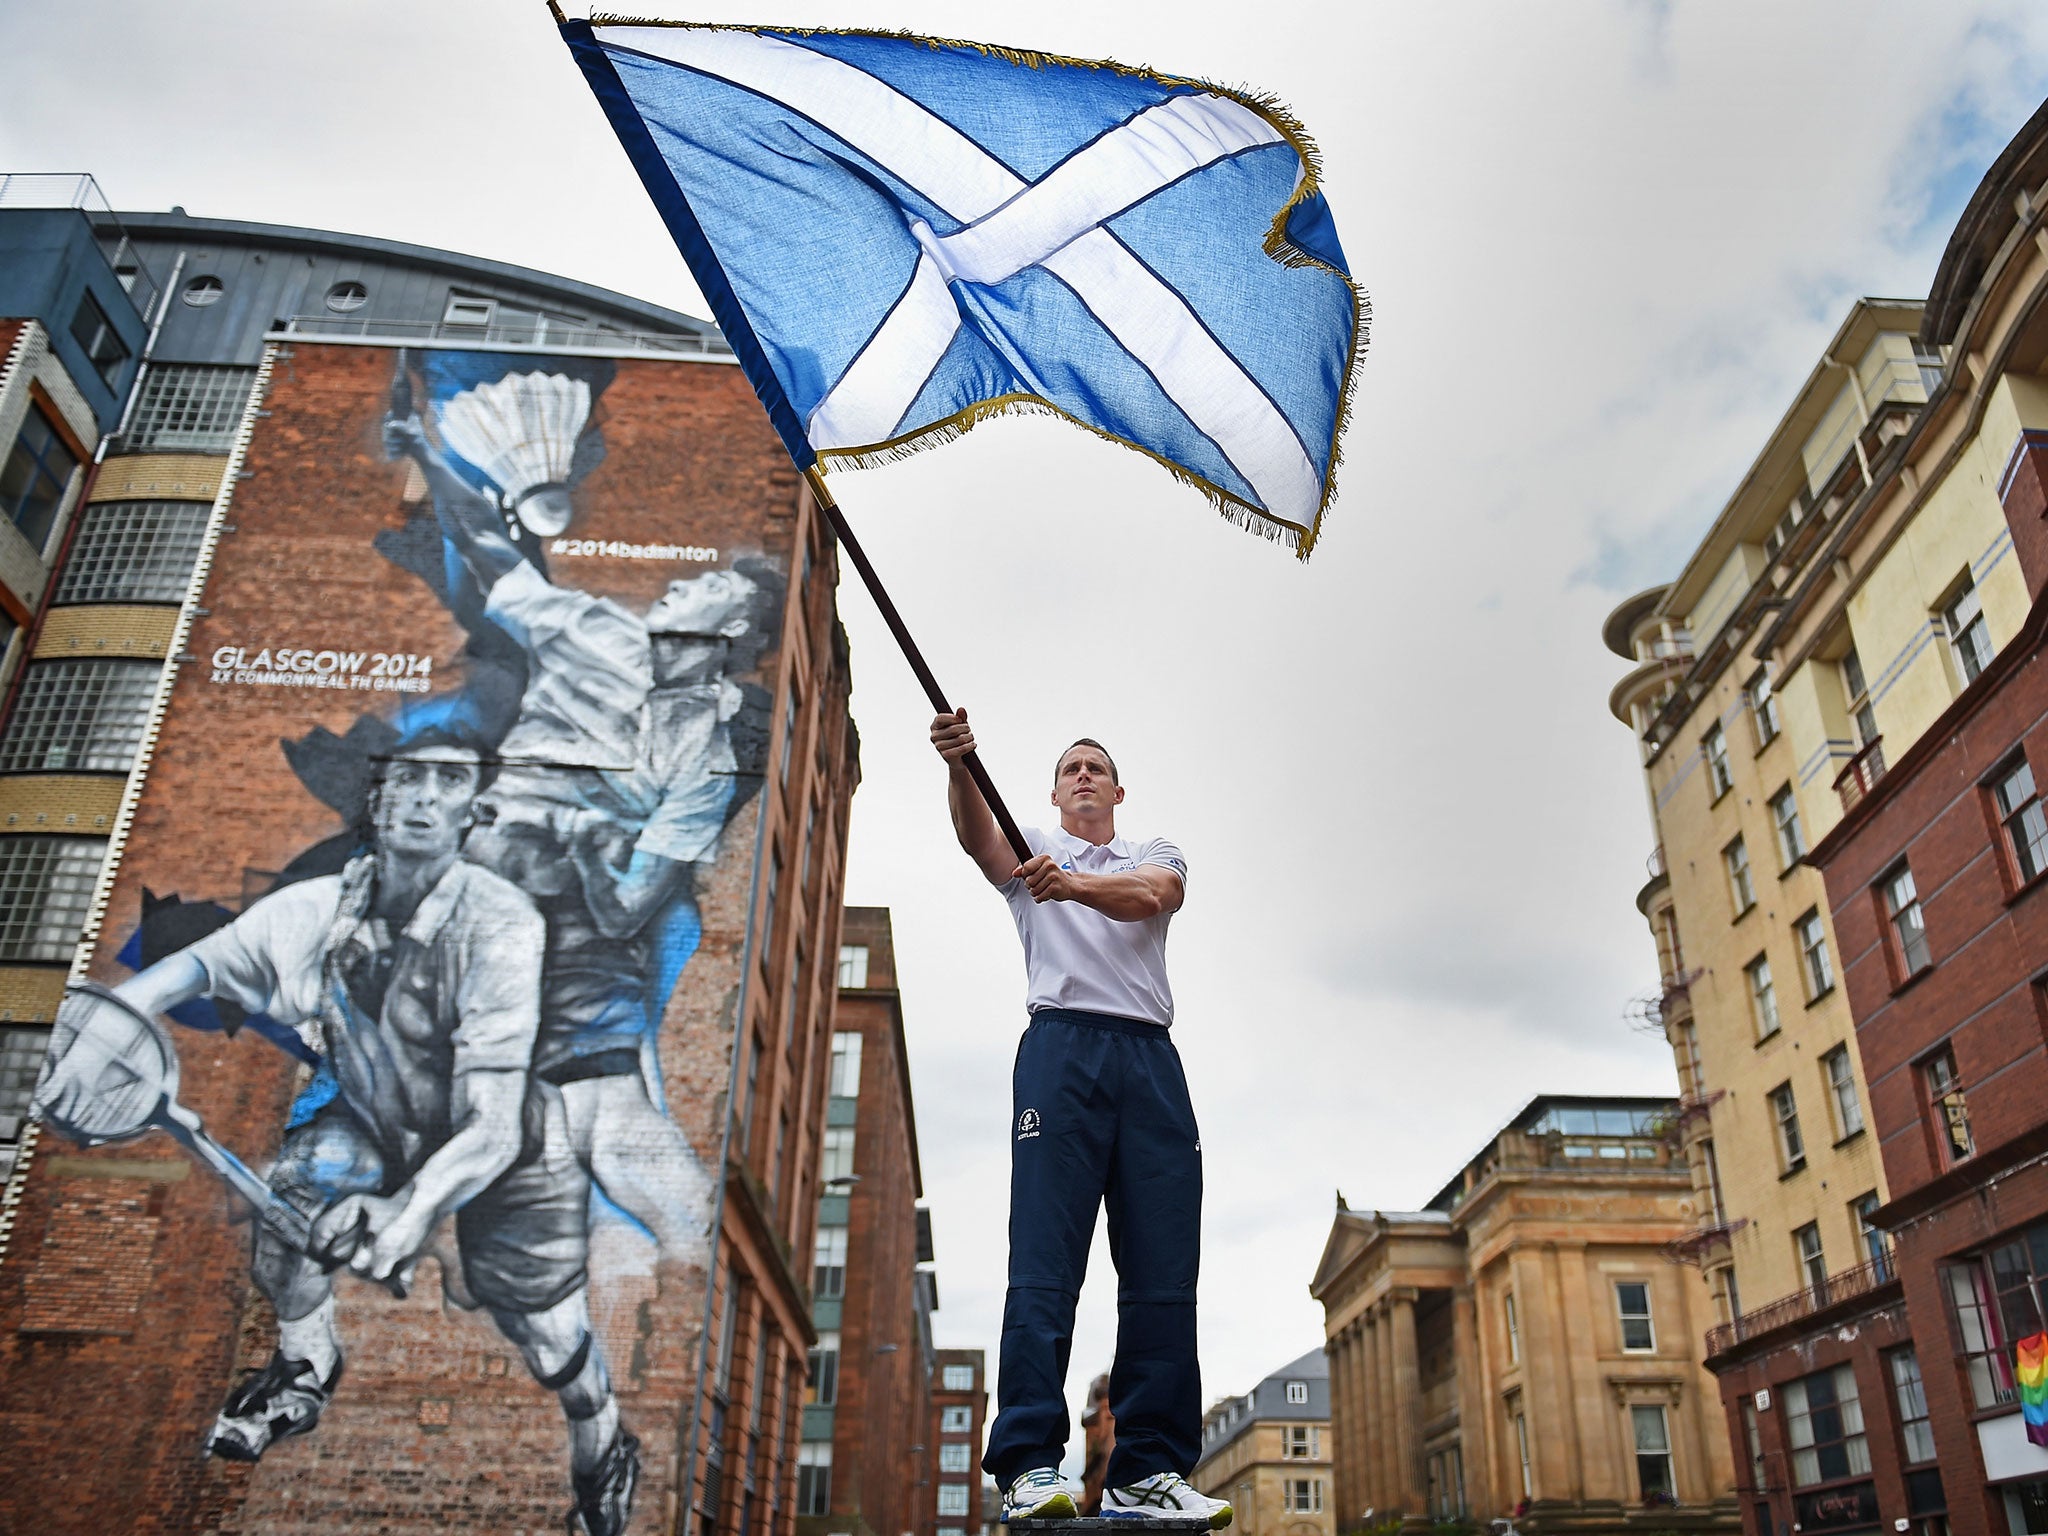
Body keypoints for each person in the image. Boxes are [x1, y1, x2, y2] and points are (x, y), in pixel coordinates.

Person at [41, 734, 641, 1536]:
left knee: (551, 1343)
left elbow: (492, 1125)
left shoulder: (500, 924)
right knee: (293, 1197)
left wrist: (409, 1211)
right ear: (378, 802)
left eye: (448, 781)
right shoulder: (313, 911)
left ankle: (603, 1445)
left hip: (510, 1149)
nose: (424, 796)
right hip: (375, 1120)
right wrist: (88, 1050)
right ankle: (305, 1360)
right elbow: (178, 976)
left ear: (476, 811)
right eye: (407, 780)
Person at [385, 408, 781, 1258]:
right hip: (478, 865)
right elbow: (491, 544)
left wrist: (592, 856)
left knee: (606, 1109)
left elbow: (632, 904)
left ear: (729, 634)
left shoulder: (704, 758)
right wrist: (424, 447)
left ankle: (686, 1239)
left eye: (710, 586)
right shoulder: (591, 627)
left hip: (575, 921)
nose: (681, 583)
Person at [930, 711, 1230, 1528]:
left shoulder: (1150, 853)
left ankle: (1148, 1471)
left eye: (1097, 766)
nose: (1085, 775)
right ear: (1055, 793)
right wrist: (961, 767)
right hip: (1063, 1053)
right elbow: (974, 837)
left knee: (1165, 1270)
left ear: (1117, 789)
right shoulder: (1025, 846)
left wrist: (1072, 884)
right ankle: (1028, 1464)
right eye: (1071, 769)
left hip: (1149, 1058)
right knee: (1044, 1260)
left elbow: (1153, 898)